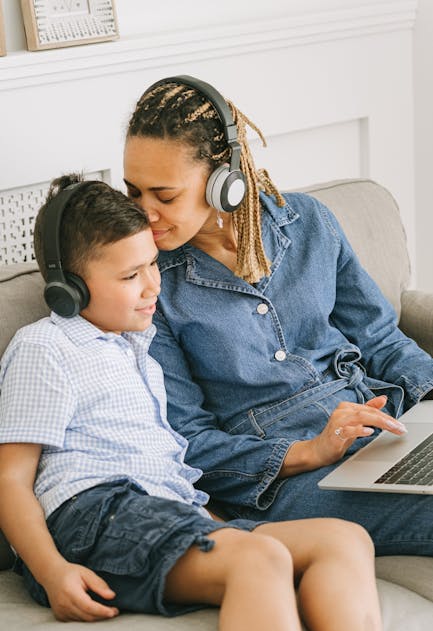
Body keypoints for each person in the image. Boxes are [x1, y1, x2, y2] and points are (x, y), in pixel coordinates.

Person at [0, 174, 385, 631]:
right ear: (69, 290)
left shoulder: (138, 347)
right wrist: (51, 570)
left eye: (152, 266)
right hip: (93, 515)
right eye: (129, 276)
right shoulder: (45, 345)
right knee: (257, 558)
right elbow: (11, 480)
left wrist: (219, 527)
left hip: (170, 512)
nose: (151, 288)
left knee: (344, 540)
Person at [123, 75, 433, 555]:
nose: (145, 214)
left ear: (225, 180)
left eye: (164, 196)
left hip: (379, 428)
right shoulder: (150, 287)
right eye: (133, 192)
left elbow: (380, 340)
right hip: (289, 479)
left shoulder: (310, 221)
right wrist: (310, 450)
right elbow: (189, 443)